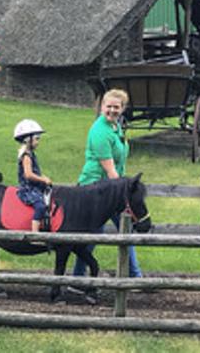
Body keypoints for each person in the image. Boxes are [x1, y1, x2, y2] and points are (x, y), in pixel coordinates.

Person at [71, 88, 143, 280]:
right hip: (95, 189)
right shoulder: (99, 131)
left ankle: (134, 276)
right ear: (102, 106)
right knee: (94, 235)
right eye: (108, 106)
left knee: (122, 230)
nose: (112, 110)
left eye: (116, 107)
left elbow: (118, 166)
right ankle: (77, 277)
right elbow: (110, 171)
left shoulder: (116, 127)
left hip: (112, 189)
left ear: (123, 109)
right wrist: (125, 192)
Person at [13, 119, 52, 232]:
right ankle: (34, 234)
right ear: (28, 139)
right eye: (36, 139)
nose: (38, 142)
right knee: (40, 206)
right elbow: (28, 174)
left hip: (35, 187)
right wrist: (43, 179)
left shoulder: (31, 154)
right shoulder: (26, 156)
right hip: (28, 189)